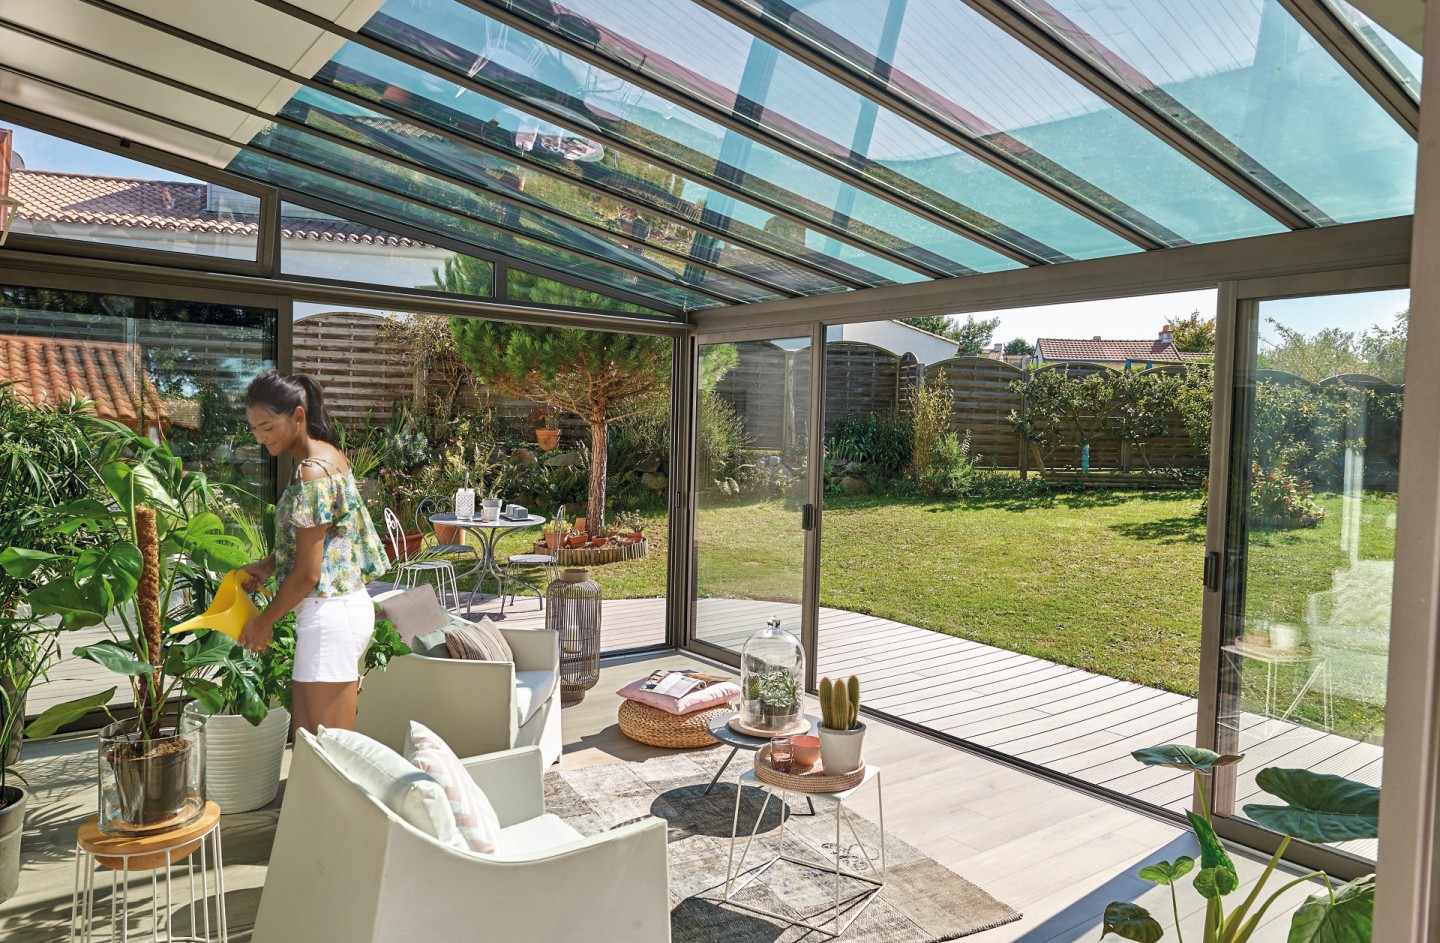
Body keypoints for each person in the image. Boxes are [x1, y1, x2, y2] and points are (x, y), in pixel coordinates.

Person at [237, 369, 389, 734]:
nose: (260, 438)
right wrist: (270, 564)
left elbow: (309, 573)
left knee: (333, 751)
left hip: (331, 616)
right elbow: (325, 541)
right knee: (312, 744)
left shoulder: (312, 473)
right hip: (328, 615)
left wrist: (262, 623)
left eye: (268, 427)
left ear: (298, 416)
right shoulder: (325, 457)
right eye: (254, 429)